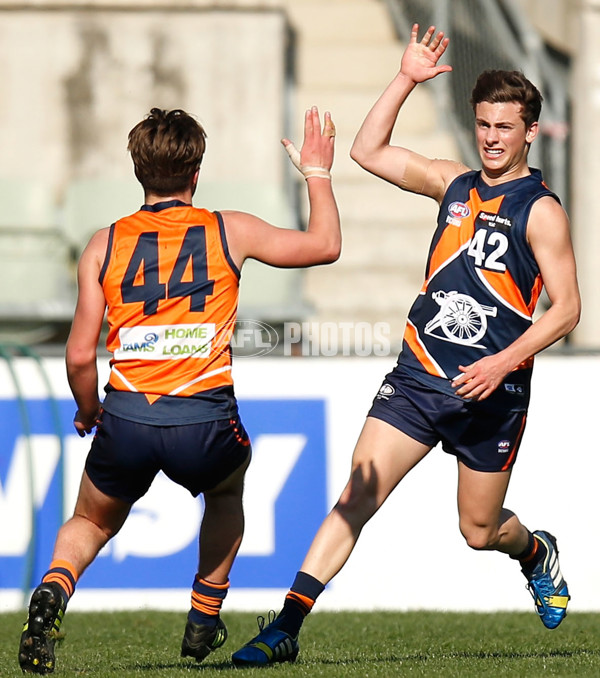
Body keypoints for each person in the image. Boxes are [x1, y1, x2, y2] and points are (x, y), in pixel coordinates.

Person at [231, 24, 581, 667]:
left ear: (530, 131)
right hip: (419, 377)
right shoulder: (453, 183)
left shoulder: (541, 210)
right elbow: (368, 151)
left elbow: (568, 310)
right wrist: (406, 79)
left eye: (505, 127)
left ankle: (534, 552)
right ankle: (285, 628)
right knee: (355, 498)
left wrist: (501, 362)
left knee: (478, 531)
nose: (491, 138)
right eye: (483, 125)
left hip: (493, 392)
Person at [17, 105, 339, 674]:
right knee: (225, 491)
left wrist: (89, 410)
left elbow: (77, 353)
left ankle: (53, 592)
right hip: (203, 417)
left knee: (90, 521)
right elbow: (324, 245)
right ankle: (202, 618)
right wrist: (316, 172)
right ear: (196, 172)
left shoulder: (104, 242)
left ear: (138, 171)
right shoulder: (226, 228)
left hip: (127, 416)